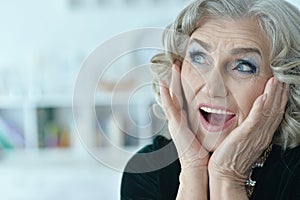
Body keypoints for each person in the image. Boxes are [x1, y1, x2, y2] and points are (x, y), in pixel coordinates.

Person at [121, 0, 300, 199]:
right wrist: (192, 170)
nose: (213, 88)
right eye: (199, 58)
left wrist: (228, 178)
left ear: (286, 83)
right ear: (178, 69)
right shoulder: (149, 169)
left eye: (243, 66)